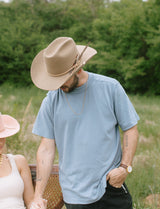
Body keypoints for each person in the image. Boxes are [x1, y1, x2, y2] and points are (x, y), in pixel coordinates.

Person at [30, 37, 139, 209]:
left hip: (110, 186)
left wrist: (125, 167)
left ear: (77, 69)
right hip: (73, 195)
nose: (58, 86)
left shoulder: (110, 88)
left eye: (62, 79)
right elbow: (46, 148)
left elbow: (131, 129)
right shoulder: (51, 100)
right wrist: (38, 195)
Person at [0, 113, 37, 209]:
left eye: (2, 136)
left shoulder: (18, 161)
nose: (1, 142)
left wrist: (37, 206)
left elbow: (30, 201)